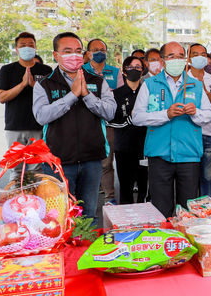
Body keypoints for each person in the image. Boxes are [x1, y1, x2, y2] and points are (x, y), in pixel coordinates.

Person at [33, 32, 116, 221]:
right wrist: (72, 96)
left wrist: (86, 95)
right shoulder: (45, 84)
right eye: (67, 51)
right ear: (56, 55)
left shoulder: (97, 81)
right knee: (59, 216)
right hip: (59, 162)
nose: (74, 55)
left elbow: (110, 112)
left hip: (92, 159)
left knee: (89, 216)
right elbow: (41, 116)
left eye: (78, 51)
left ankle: (86, 249)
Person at [132, 41, 211, 217]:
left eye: (180, 56)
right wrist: (166, 115)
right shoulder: (149, 84)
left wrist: (195, 112)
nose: (176, 60)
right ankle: (165, 242)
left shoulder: (195, 85)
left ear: (186, 60)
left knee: (188, 209)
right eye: (171, 56)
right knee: (161, 208)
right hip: (159, 154)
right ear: (162, 60)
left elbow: (209, 115)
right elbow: (137, 117)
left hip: (189, 153)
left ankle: (185, 243)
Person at [0, 31, 52, 180]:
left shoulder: (45, 71)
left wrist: (33, 85)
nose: (27, 48)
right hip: (15, 127)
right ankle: (16, 200)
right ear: (16, 49)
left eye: (30, 45)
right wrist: (22, 84)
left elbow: (51, 98)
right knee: (16, 168)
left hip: (39, 127)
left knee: (37, 168)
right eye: (23, 45)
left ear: (35, 47)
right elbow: (2, 97)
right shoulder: (7, 70)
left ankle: (36, 201)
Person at [83, 38, 123, 204]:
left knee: (106, 163)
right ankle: (83, 200)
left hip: (108, 124)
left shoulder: (114, 72)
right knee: (86, 163)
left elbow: (121, 96)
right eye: (95, 49)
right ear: (88, 53)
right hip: (86, 125)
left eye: (103, 49)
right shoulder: (80, 71)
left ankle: (110, 197)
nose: (100, 52)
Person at [109, 56, 148, 204]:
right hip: (124, 147)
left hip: (145, 146)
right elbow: (110, 121)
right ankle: (126, 223)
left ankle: (146, 219)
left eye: (138, 67)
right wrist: (130, 119)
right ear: (124, 71)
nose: (135, 70)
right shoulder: (116, 94)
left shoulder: (146, 92)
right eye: (131, 67)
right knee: (126, 186)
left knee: (144, 185)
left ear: (143, 71)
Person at [188, 43, 211, 197]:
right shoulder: (182, 79)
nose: (199, 57)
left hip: (209, 134)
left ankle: (207, 211)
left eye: (202, 54)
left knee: (207, 177)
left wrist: (203, 90)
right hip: (187, 134)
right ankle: (188, 213)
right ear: (188, 58)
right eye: (195, 54)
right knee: (188, 177)